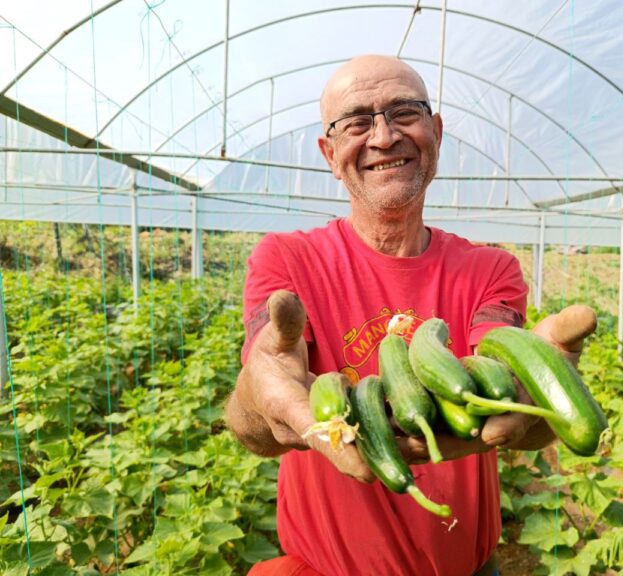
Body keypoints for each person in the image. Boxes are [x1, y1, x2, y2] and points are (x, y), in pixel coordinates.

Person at [225, 54, 597, 576]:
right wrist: (259, 393)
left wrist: (540, 389)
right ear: (330, 154)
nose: (383, 136)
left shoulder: (491, 269)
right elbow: (257, 428)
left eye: (405, 112)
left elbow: (510, 392)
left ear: (436, 133)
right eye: (356, 122)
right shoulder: (286, 261)